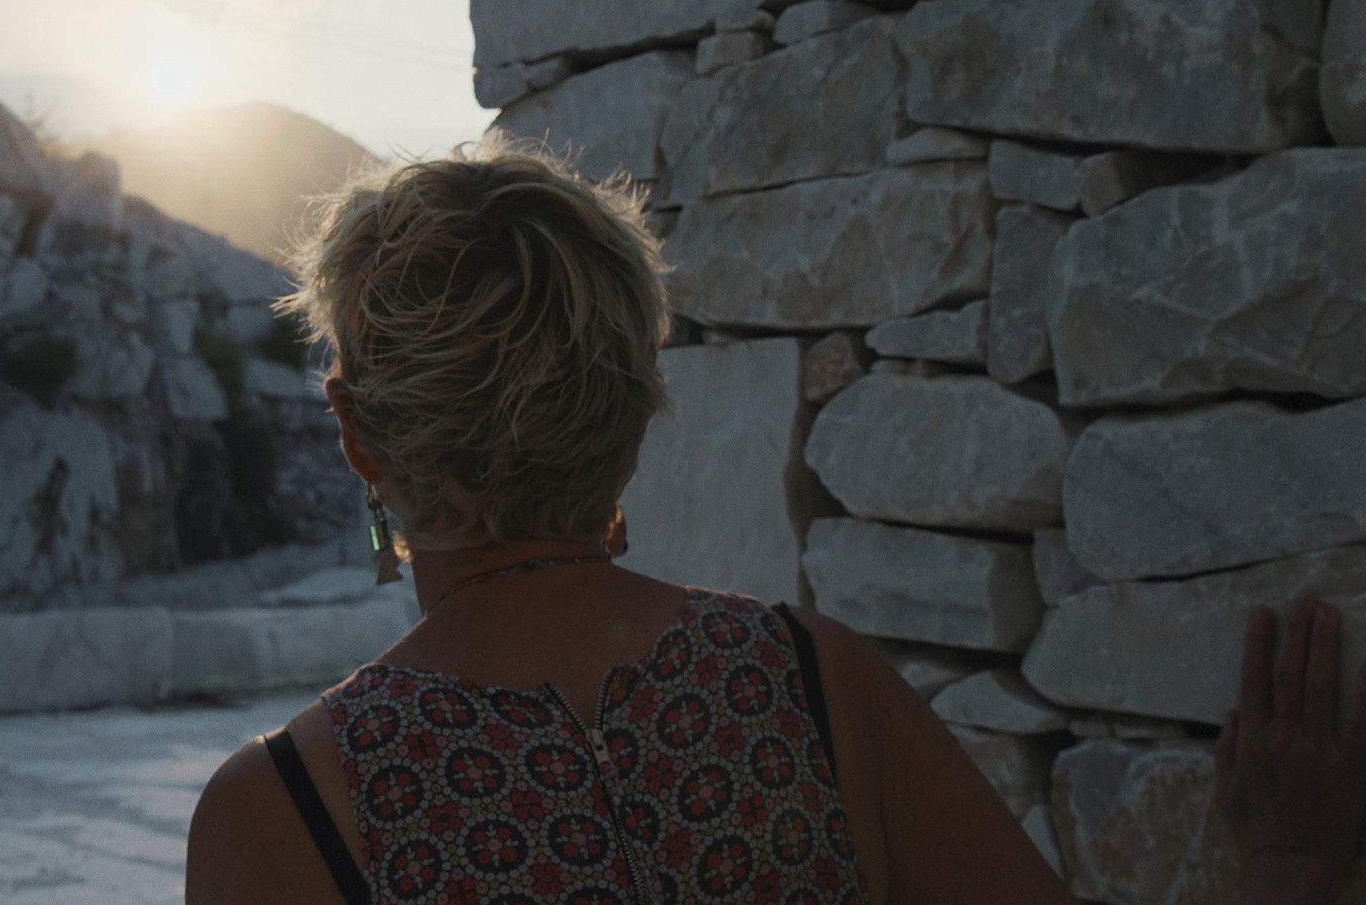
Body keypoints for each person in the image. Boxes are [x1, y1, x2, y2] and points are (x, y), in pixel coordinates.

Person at [185, 141, 1364, 905]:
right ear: (635, 408)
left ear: (356, 432)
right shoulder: (808, 683)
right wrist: (1291, 860)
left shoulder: (282, 811)